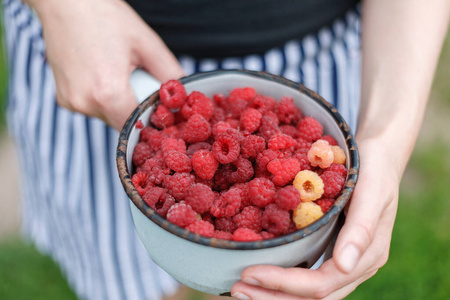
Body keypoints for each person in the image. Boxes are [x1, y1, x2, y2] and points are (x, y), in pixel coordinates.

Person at [2, 0, 449, 299]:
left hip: (311, 49)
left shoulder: (298, 148)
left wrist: (387, 138)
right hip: (87, 40)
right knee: (124, 274)